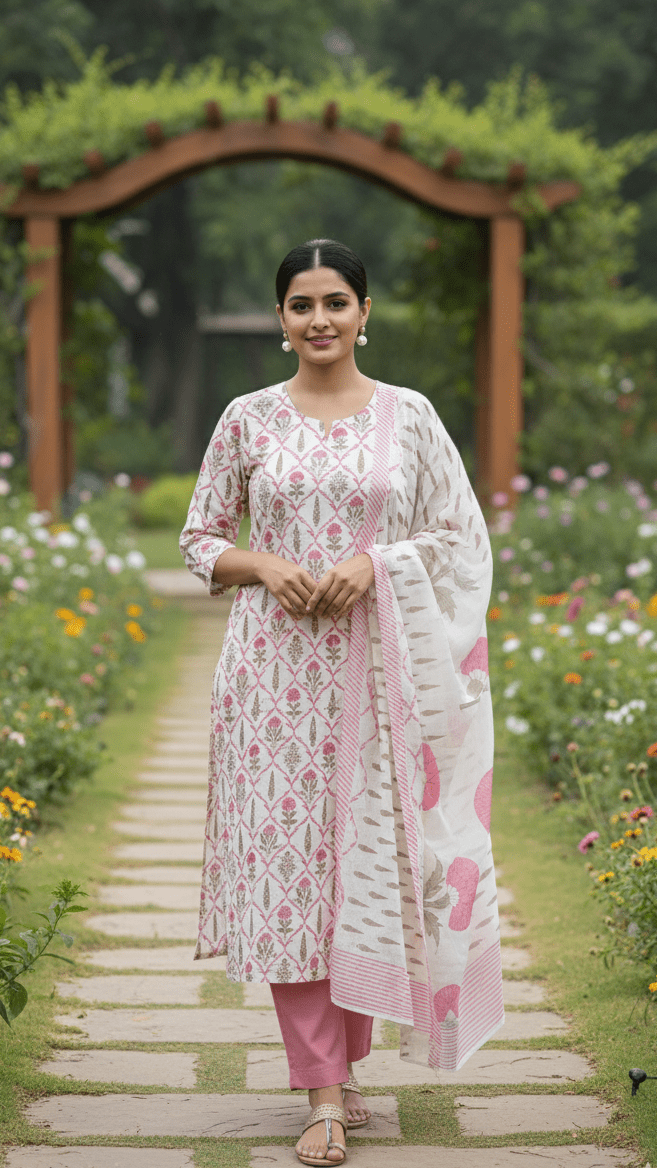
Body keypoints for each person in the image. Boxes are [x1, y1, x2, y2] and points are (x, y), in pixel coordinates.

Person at [180, 239, 504, 1166]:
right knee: (290, 879)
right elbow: (200, 537)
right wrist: (263, 564)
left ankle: (345, 1068)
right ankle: (320, 1092)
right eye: (299, 305)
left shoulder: (409, 418)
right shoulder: (246, 419)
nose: (318, 318)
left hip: (381, 679)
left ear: (365, 311)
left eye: (334, 301)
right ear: (280, 323)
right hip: (273, 686)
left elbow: (459, 532)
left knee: (362, 870)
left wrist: (376, 562)